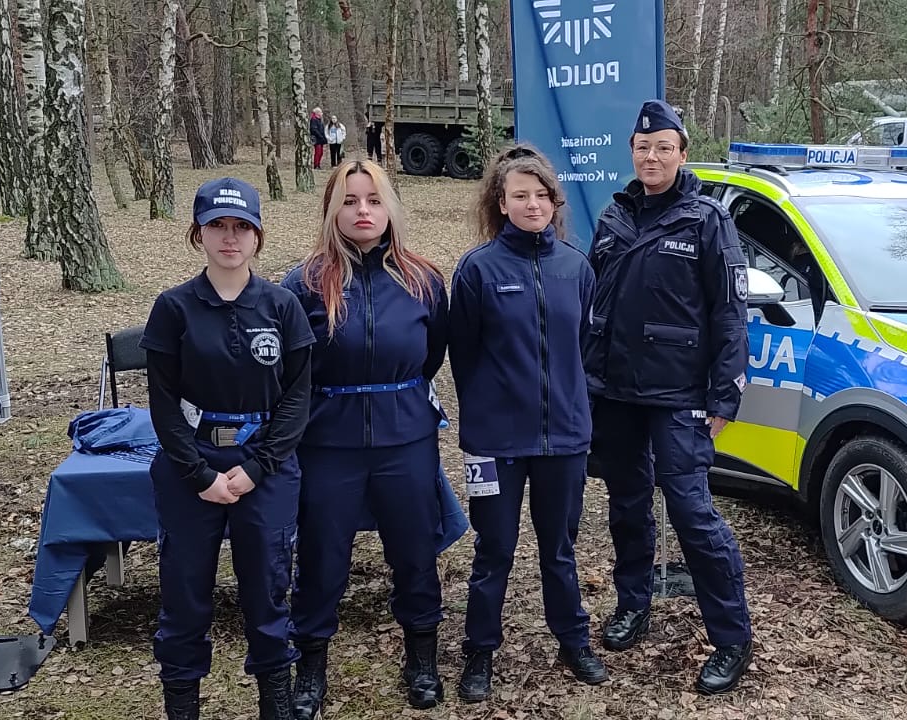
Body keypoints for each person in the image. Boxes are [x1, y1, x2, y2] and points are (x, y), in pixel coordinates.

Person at [584, 99, 754, 696]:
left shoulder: (707, 219)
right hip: (617, 394)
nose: (651, 157)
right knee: (628, 506)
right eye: (642, 147)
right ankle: (633, 603)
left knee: (692, 513)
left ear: (682, 153)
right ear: (631, 152)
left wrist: (724, 397)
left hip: (679, 394)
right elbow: (595, 304)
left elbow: (730, 314)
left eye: (663, 147)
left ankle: (731, 637)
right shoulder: (614, 216)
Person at [141, 177, 315, 720]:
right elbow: (163, 402)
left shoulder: (282, 306)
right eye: (217, 225)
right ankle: (182, 705)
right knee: (184, 593)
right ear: (199, 233)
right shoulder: (173, 308)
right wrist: (199, 475)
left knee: (267, 589)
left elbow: (298, 396)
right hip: (191, 467)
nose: (230, 237)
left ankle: (276, 704)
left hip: (264, 465)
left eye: (242, 226)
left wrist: (259, 467)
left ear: (259, 235)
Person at [282, 160, 450, 713]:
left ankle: (421, 659)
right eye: (350, 201)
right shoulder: (303, 284)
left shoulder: (423, 281)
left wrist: (396, 401)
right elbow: (290, 370)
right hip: (329, 442)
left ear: (390, 208)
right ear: (332, 210)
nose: (362, 211)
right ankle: (310, 668)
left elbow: (430, 358)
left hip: (406, 438)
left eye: (374, 201)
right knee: (322, 557)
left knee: (415, 552)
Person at [448, 144, 607, 702]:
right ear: (501, 202)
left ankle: (573, 640)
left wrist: (574, 409)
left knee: (559, 547)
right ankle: (479, 651)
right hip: (497, 440)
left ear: (554, 203)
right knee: (494, 548)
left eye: (542, 195)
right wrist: (485, 415)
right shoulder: (478, 270)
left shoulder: (575, 267)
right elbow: (463, 354)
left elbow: (585, 348)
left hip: (564, 437)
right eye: (520, 195)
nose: (532, 204)